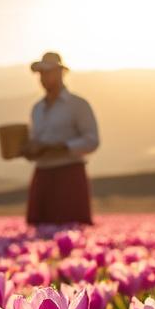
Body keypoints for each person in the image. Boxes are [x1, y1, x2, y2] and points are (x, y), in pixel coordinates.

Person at [20, 51, 99, 226]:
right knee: (38, 226)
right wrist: (28, 150)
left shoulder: (78, 105)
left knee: (72, 225)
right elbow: (36, 139)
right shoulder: (37, 108)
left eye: (48, 72)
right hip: (43, 172)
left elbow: (92, 140)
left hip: (69, 173)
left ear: (61, 73)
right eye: (40, 74)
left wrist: (62, 147)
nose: (43, 78)